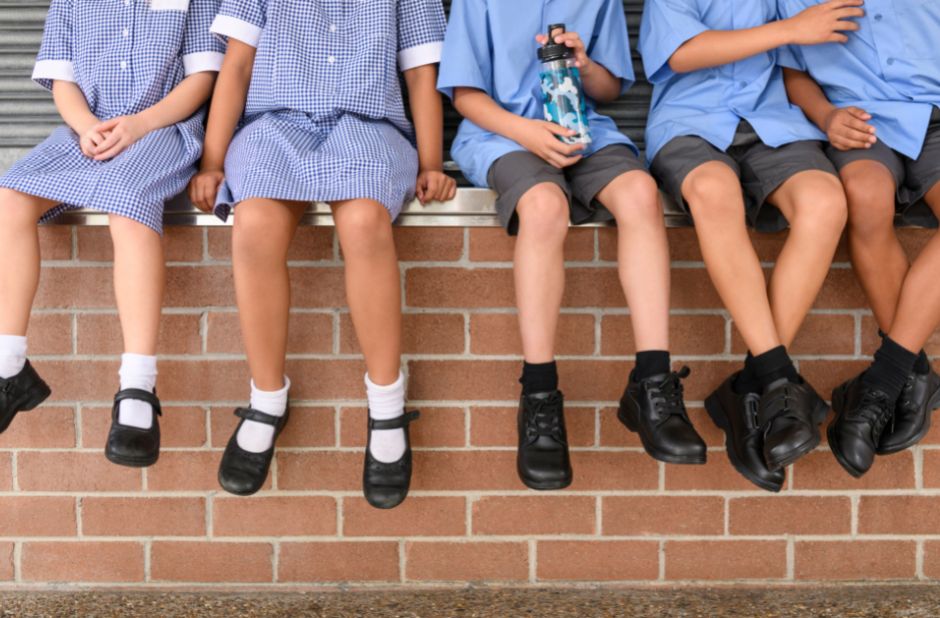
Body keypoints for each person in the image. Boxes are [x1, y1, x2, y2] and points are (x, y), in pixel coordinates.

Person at [189, 0, 455, 507]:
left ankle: (387, 405)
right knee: (254, 223)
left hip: (369, 130)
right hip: (274, 127)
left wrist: (431, 162)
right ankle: (267, 399)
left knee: (364, 221)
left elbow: (421, 74)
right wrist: (213, 162)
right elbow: (237, 65)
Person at [439, 0, 707, 492]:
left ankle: (652, 383)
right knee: (544, 208)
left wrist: (585, 65)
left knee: (641, 194)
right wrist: (526, 131)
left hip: (583, 131)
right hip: (503, 134)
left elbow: (609, 88)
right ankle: (539, 395)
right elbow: (464, 95)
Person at [639, 0, 857, 491]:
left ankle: (751, 388)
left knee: (825, 202)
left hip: (773, 121)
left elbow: (796, 62)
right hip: (691, 122)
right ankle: (777, 381)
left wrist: (825, 115)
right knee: (714, 193)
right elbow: (683, 53)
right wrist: (788, 29)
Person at [0, 0, 223, 467]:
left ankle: (137, 385)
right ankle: (9, 365)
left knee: (127, 202)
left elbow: (201, 79)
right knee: (8, 199)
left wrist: (140, 124)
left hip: (161, 129)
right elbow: (64, 78)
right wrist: (86, 128)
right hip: (89, 130)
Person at [780, 0, 940, 477]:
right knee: (865, 196)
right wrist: (826, 115)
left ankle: (886, 380)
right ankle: (912, 377)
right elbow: (790, 69)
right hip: (859, 123)